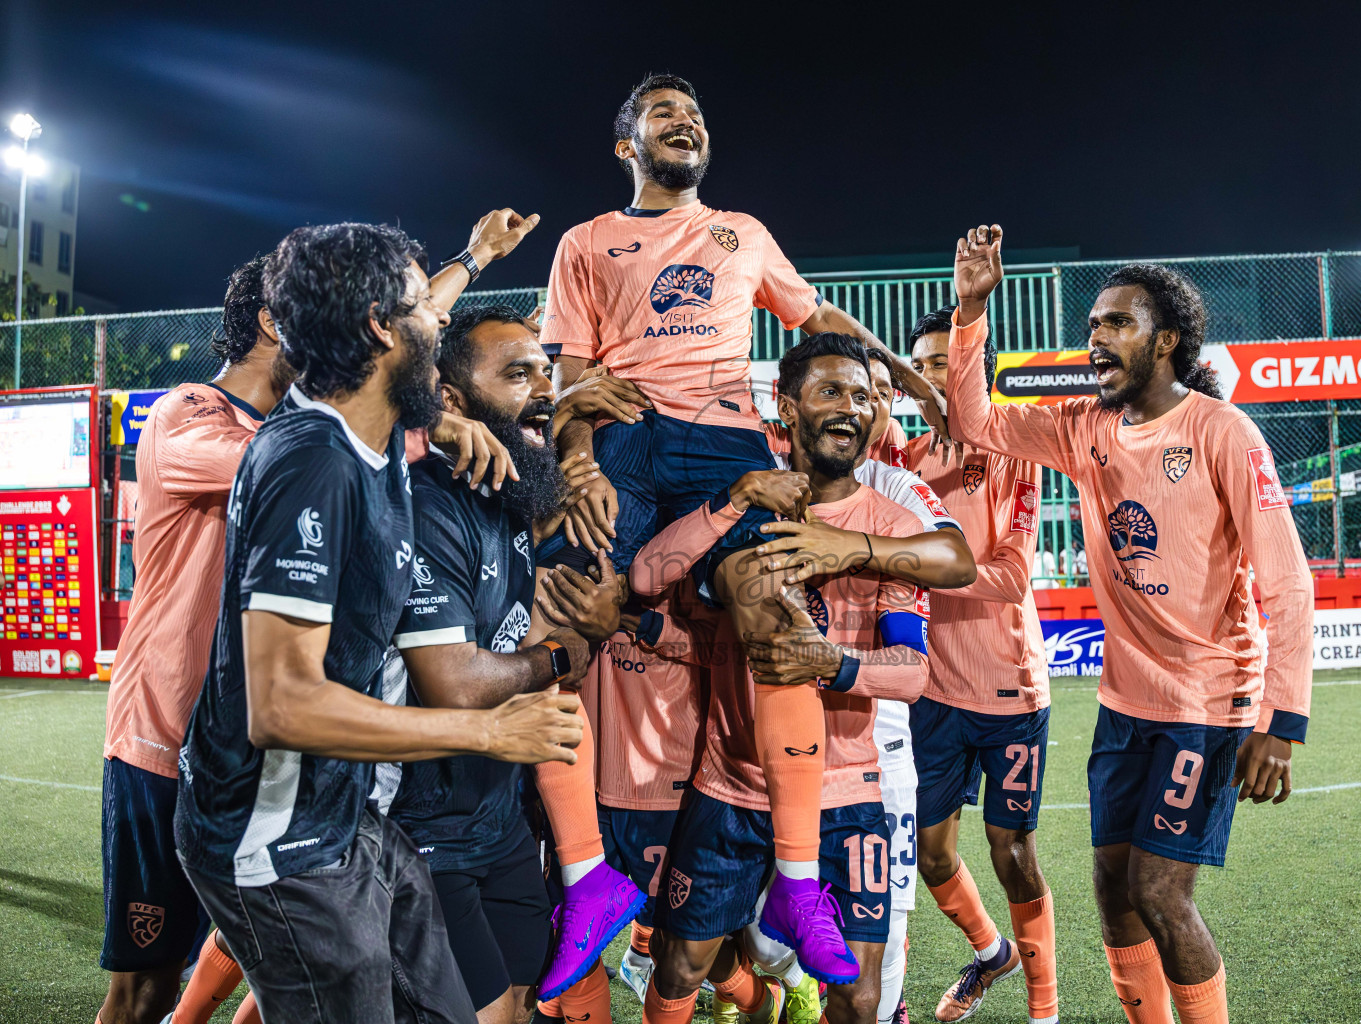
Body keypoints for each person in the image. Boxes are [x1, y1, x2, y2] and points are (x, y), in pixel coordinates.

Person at [540, 73, 942, 978]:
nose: (685, 123)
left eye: (694, 115)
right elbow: (568, 376)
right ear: (627, 146)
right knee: (558, 627)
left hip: (725, 443)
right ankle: (584, 874)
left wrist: (906, 374)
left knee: (773, 615)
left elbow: (817, 315)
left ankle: (796, 883)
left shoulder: (742, 233)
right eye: (664, 115)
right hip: (625, 439)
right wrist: (576, 453)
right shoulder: (586, 242)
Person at [99, 207, 535, 1024]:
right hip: (197, 757)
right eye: (418, 310)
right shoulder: (262, 442)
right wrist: (486, 731)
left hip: (325, 792)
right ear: (368, 326)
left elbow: (405, 333)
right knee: (149, 985)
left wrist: (474, 258)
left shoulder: (360, 436)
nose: (438, 326)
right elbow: (285, 704)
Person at [943, 225, 1313, 1024]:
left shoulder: (1221, 432)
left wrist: (1280, 722)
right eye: (1092, 325)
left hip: (1205, 703)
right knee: (1112, 886)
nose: (1096, 338)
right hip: (1123, 704)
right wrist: (971, 310)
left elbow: (1286, 584)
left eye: (1116, 323)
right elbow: (972, 420)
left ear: (1166, 340)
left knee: (1158, 891)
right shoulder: (1082, 426)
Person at [638, 333, 931, 1024]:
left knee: (858, 997)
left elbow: (913, 672)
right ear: (786, 405)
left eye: (861, 396)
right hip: (730, 783)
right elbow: (656, 585)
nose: (851, 407)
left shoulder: (892, 528)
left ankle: (785, 964)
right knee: (679, 964)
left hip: (847, 789)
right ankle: (764, 983)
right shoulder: (741, 503)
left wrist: (832, 663)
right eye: (830, 391)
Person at [387, 304, 634, 1024]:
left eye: (546, 372)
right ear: (453, 400)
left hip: (497, 821)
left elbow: (532, 651)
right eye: (518, 374)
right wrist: (563, 653)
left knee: (522, 1000)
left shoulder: (512, 496)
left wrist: (589, 628)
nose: (544, 389)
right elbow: (455, 682)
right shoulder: (427, 504)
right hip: (422, 828)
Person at [905, 304, 1059, 1024]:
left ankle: (1043, 1007)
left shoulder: (1013, 451)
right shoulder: (903, 459)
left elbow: (1012, 575)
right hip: (933, 692)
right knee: (930, 855)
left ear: (974, 372)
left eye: (946, 362)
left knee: (1012, 852)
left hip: (1009, 692)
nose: (932, 377)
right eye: (922, 365)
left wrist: (913, 565)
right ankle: (992, 953)